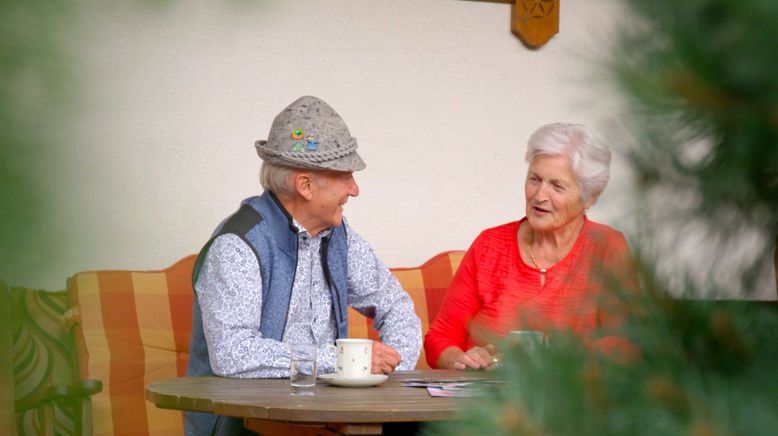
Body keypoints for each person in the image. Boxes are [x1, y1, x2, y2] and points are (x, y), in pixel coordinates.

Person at [185, 96, 422, 435]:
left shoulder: (340, 236)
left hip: (327, 422)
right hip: (249, 427)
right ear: (305, 185)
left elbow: (396, 305)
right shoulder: (238, 244)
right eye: (346, 176)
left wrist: (391, 372)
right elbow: (232, 354)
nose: (355, 189)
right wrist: (343, 363)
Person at [424, 122, 633, 370]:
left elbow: (625, 342)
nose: (539, 195)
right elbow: (441, 337)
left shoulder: (607, 248)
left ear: (589, 197)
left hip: (574, 399)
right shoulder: (490, 245)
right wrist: (459, 359)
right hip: (486, 400)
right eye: (534, 179)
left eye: (557, 186)